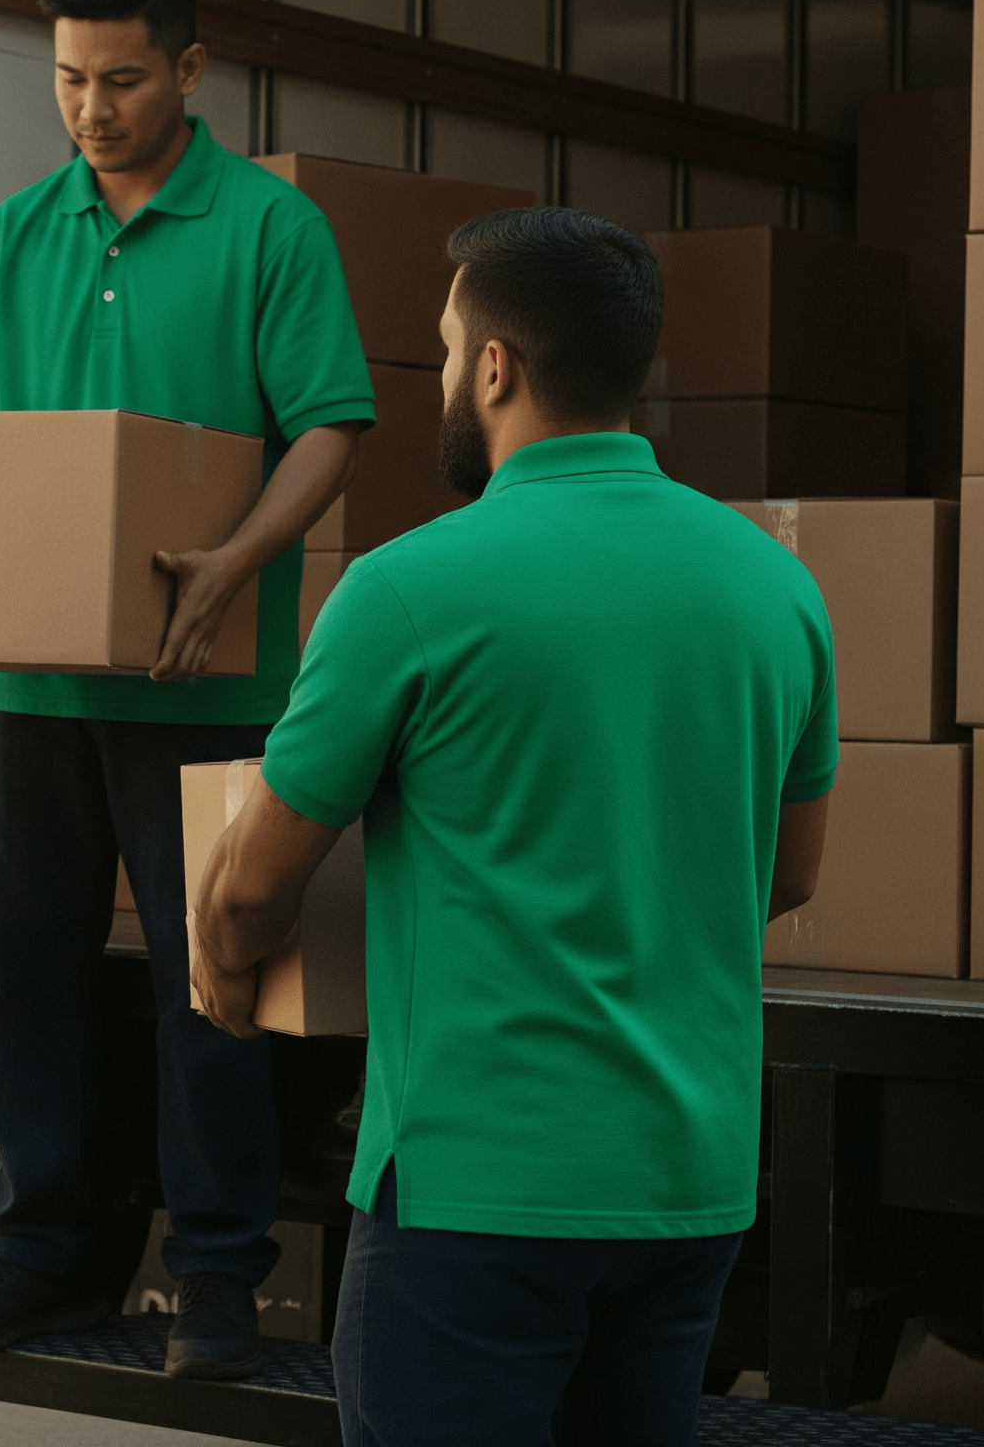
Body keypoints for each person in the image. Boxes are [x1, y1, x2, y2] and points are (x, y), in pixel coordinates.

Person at [190, 206, 835, 1444]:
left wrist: (222, 966)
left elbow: (251, 884)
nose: (442, 375)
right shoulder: (775, 586)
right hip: (687, 1185)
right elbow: (788, 872)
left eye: (445, 350)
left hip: (472, 1190)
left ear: (493, 368)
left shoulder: (405, 588)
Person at [0, 0, 377, 1381]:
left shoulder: (270, 230)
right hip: (38, 687)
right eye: (67, 81)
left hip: (207, 683)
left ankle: (217, 1281)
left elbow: (330, 426)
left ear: (189, 70)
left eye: (119, 81)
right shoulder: (13, 236)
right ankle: (39, 1252)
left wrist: (235, 561)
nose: (90, 110)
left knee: (210, 985)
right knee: (26, 980)